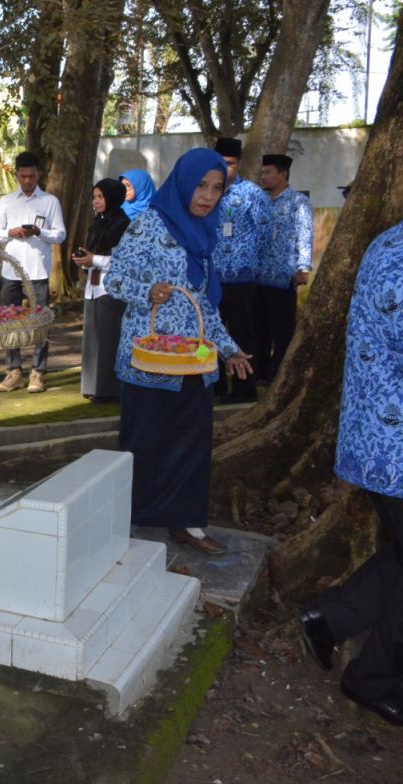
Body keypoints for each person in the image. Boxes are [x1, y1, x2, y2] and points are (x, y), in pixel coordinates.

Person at [104, 147, 254, 555]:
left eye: (217, 188)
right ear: (184, 183)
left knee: (192, 444)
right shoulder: (149, 224)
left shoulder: (206, 231)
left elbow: (204, 303)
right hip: (149, 360)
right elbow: (114, 279)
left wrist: (229, 350)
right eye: (201, 186)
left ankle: (186, 523)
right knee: (144, 443)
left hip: (196, 360)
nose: (207, 196)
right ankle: (130, 523)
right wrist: (147, 292)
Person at [297, 219, 403, 725]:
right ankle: (373, 678)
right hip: (394, 443)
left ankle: (331, 618)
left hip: (384, 440)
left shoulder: (391, 240)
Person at [0, 151, 66, 394]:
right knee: (9, 321)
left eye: (31, 176)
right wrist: (10, 232)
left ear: (38, 175)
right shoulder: (7, 201)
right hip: (11, 270)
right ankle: (13, 371)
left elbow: (60, 234)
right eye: (22, 177)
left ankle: (37, 372)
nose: (27, 181)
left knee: (39, 322)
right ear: (16, 175)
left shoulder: (50, 202)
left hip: (37, 270)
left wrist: (38, 232)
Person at [211, 136, 272, 403]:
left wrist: (247, 259)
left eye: (230, 163)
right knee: (209, 331)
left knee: (242, 335)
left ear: (239, 164)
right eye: (220, 163)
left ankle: (244, 388)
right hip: (210, 277)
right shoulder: (206, 192)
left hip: (241, 279)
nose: (225, 169)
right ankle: (212, 385)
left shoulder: (252, 194)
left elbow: (266, 232)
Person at [255, 153, 313, 383]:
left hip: (282, 275)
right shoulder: (260, 201)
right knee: (260, 327)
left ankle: (279, 373)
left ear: (283, 174)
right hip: (258, 275)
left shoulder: (298, 202)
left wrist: (303, 267)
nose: (264, 176)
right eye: (263, 172)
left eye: (268, 172)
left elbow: (305, 234)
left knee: (282, 329)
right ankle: (259, 372)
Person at [73, 178, 130, 402]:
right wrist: (83, 258)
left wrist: (93, 259)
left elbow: (124, 261)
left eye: (100, 197)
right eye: (94, 197)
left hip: (111, 289)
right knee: (92, 339)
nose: (95, 202)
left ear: (112, 198)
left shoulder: (124, 225)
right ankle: (92, 386)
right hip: (93, 286)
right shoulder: (97, 223)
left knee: (108, 340)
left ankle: (109, 389)